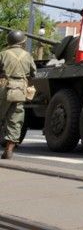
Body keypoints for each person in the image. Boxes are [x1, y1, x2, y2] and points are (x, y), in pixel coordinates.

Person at [0, 30, 36, 159]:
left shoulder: (3, 54)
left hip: (4, 88)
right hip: (20, 90)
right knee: (16, 119)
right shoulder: (27, 56)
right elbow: (33, 73)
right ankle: (9, 150)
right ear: (22, 42)